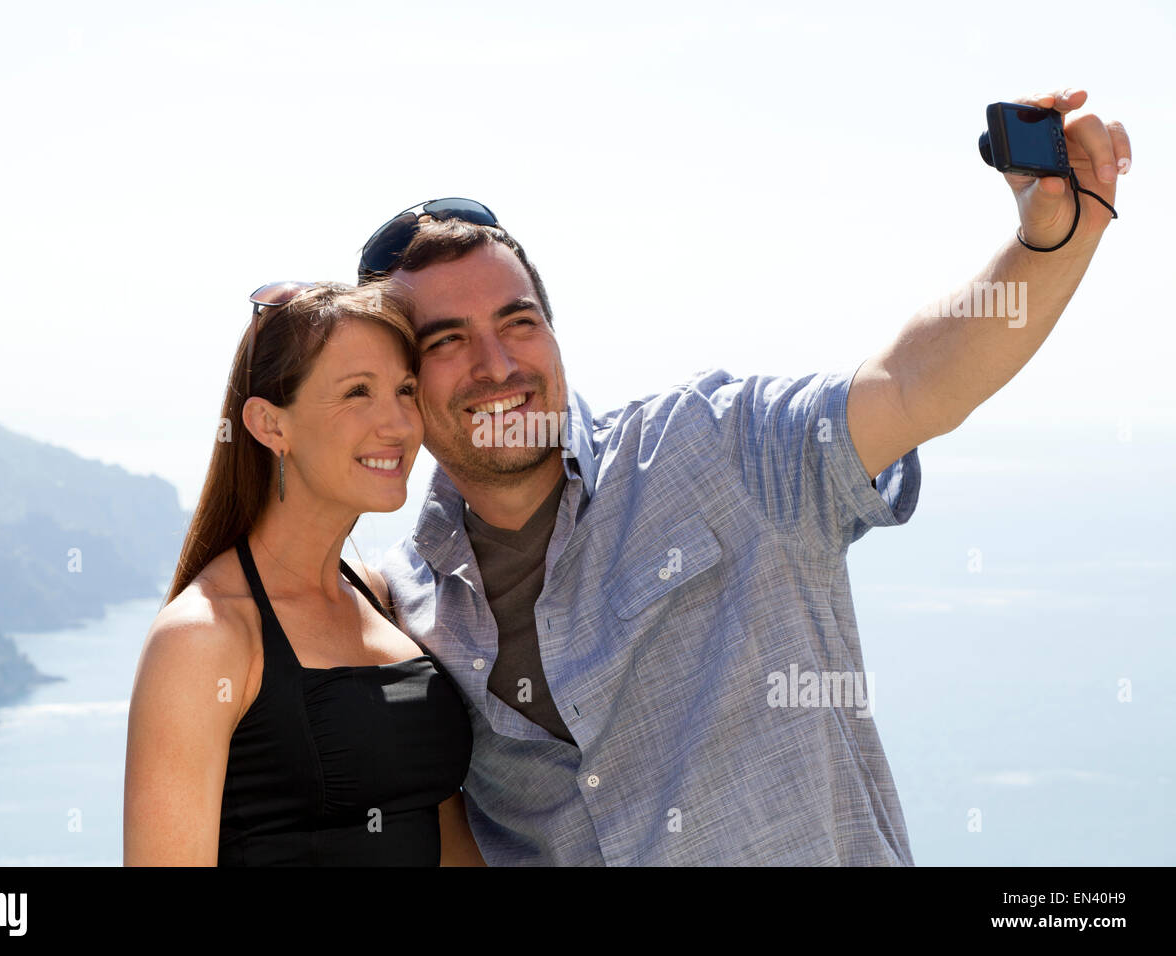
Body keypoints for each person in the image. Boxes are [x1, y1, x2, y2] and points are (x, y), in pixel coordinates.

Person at [357, 88, 1131, 865]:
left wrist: (1050, 244)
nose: (498, 366)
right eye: (447, 341)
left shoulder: (721, 445)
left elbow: (909, 385)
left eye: (518, 322)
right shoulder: (401, 610)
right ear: (401, 385)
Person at [123, 280, 483, 866]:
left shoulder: (383, 598)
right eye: (357, 393)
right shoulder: (203, 639)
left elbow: (447, 839)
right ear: (271, 426)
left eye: (405, 390)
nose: (397, 424)